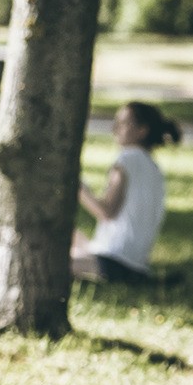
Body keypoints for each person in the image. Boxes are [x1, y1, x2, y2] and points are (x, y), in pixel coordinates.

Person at [71, 101, 181, 284]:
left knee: (49, 261)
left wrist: (76, 186)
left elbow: (106, 212)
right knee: (67, 234)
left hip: (113, 260)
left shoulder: (127, 158)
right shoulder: (153, 167)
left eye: (123, 123)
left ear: (141, 131)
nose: (115, 128)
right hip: (135, 262)